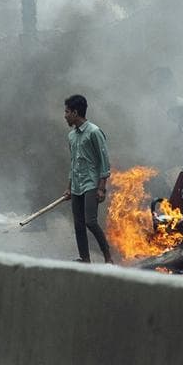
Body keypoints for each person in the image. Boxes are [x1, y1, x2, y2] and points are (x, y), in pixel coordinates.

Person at [64, 94, 113, 263]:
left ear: (75, 113)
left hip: (91, 184)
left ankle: (108, 257)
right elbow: (73, 163)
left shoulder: (94, 132)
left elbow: (104, 160)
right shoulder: (71, 136)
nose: (65, 116)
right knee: (78, 224)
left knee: (90, 222)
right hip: (77, 185)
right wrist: (69, 187)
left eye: (67, 112)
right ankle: (85, 258)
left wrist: (101, 187)